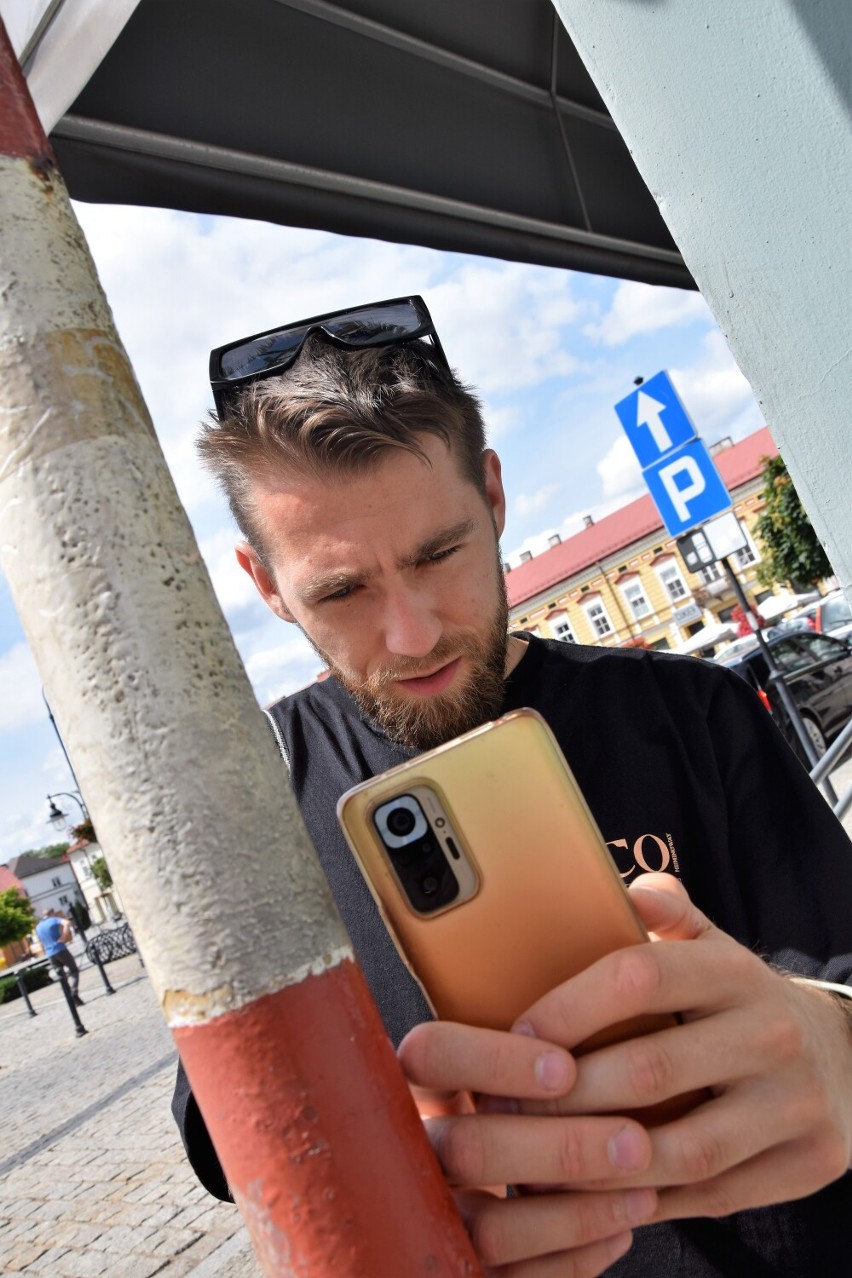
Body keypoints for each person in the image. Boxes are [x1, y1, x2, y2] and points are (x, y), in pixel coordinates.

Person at [173, 296, 852, 1275]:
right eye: (342, 590)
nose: (411, 634)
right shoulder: (256, 803)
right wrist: (380, 1146)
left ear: (492, 497)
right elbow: (217, 1133)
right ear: (267, 584)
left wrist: (830, 1046)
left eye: (438, 554)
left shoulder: (691, 716)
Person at [36, 908, 83, 1005]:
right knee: (74, 970)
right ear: (51, 913)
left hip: (50, 954)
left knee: (62, 977)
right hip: (60, 949)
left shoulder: (38, 927)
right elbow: (67, 922)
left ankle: (72, 999)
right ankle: (74, 992)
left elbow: (40, 941)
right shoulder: (53, 919)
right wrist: (65, 935)